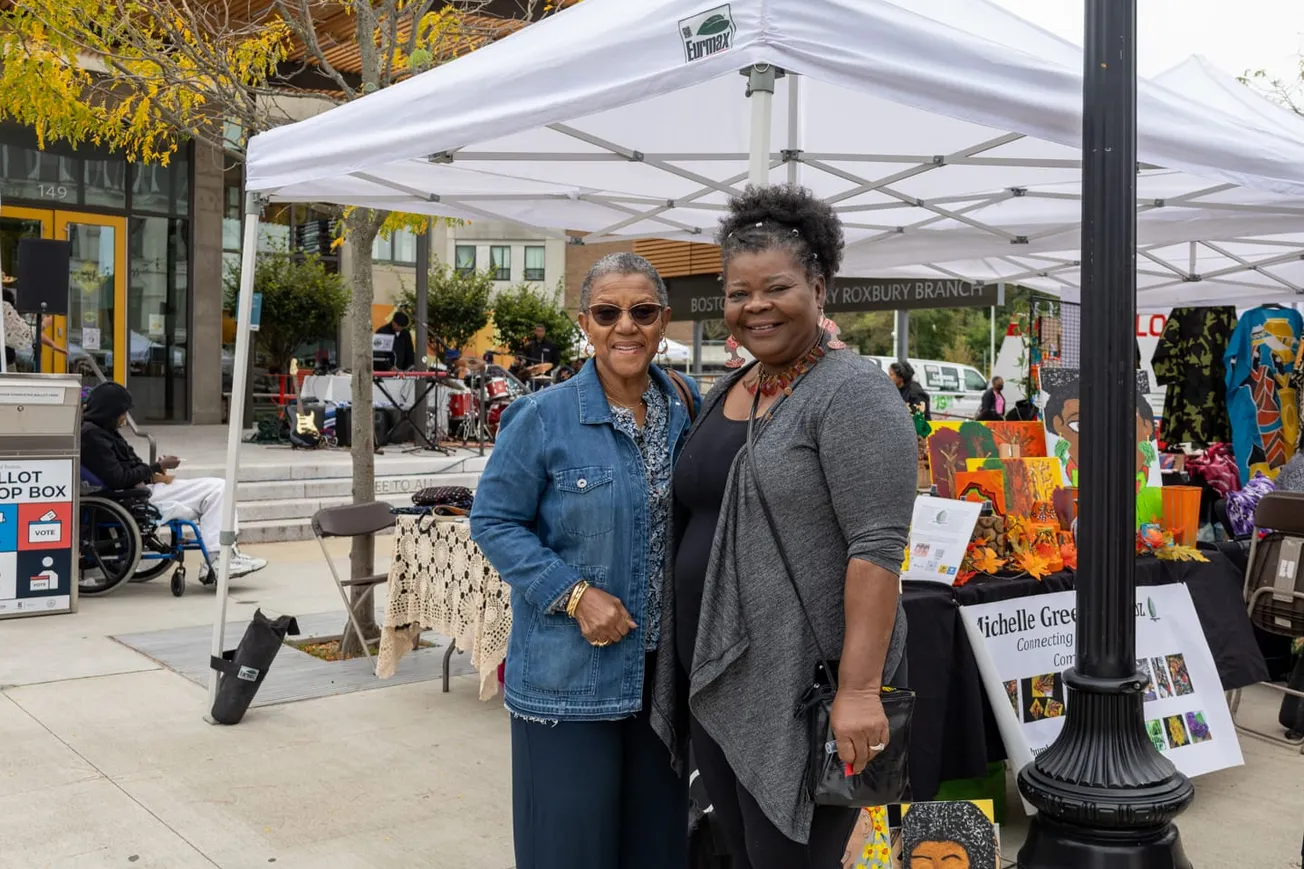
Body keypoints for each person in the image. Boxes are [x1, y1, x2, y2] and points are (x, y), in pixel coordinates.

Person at [653, 184, 915, 868]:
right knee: (740, 855)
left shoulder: (853, 392)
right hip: (720, 675)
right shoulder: (732, 387)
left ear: (819, 288)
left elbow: (877, 548)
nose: (756, 305)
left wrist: (859, 691)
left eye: (777, 287)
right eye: (739, 292)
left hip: (801, 688)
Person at [470, 253, 700, 869]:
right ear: (585, 324)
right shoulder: (542, 418)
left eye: (642, 312)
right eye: (607, 312)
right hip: (569, 677)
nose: (626, 326)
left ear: (663, 321)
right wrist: (574, 594)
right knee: (569, 852)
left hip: (663, 681)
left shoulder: (687, 409)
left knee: (654, 850)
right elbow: (493, 521)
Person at [80, 383, 267, 579]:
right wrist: (154, 467)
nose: (124, 417)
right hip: (133, 496)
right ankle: (218, 557)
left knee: (219, 489)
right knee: (219, 489)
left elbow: (130, 467)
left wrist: (156, 468)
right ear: (110, 410)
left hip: (142, 488)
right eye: (122, 412)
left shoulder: (104, 431)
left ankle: (222, 554)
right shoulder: (93, 435)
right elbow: (118, 478)